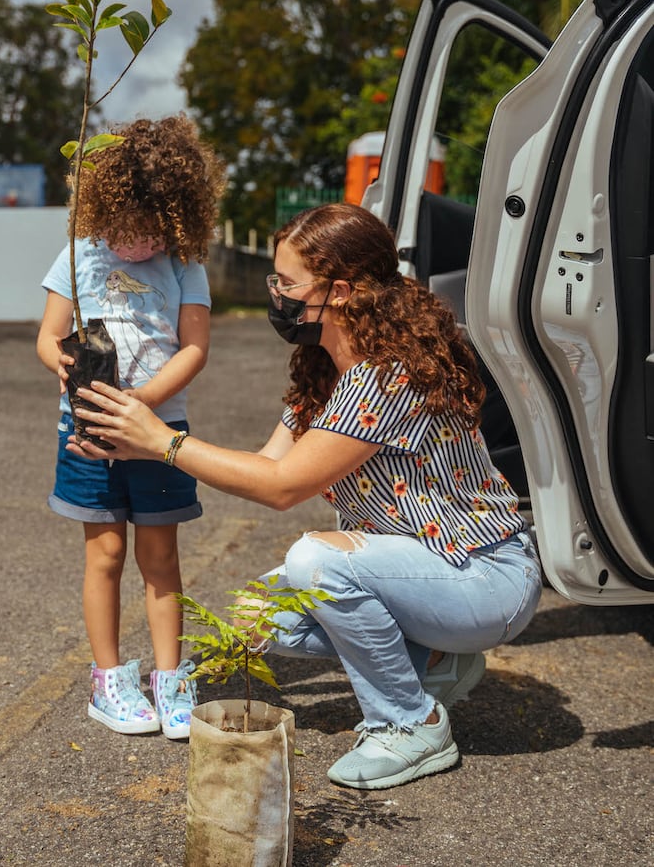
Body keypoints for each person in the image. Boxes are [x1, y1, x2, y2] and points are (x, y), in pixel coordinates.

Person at [66, 202, 542, 786]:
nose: (276, 294)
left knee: (317, 562)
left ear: (339, 290)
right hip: (418, 567)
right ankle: (438, 657)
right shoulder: (324, 366)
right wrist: (136, 446)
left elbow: (284, 487)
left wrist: (162, 442)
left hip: (483, 576)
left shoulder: (385, 375)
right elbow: (266, 463)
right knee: (263, 614)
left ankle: (410, 725)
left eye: (287, 283)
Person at [36, 115, 226, 740]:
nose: (134, 243)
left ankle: (171, 680)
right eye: (122, 229)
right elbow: (45, 337)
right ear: (100, 208)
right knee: (106, 554)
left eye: (149, 233)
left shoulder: (184, 264)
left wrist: (140, 404)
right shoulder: (76, 253)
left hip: (156, 430)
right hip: (88, 429)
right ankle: (110, 680)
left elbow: (194, 350)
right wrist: (62, 362)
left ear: (176, 219)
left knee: (161, 557)